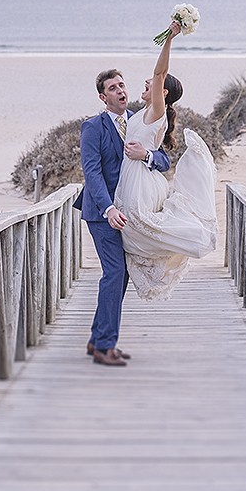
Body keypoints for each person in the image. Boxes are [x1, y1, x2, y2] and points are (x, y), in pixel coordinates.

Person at [113, 19, 218, 301]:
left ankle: (189, 238)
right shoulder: (141, 113)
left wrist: (170, 36)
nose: (146, 83)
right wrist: (146, 154)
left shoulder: (156, 112)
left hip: (140, 182)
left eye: (151, 84)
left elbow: (159, 73)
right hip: (134, 174)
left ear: (163, 93)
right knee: (133, 230)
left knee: (139, 225)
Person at [75, 66, 172, 367]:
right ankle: (105, 346)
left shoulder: (139, 121)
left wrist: (146, 155)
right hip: (102, 213)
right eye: (113, 88)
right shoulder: (93, 127)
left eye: (122, 85)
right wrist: (108, 208)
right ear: (103, 97)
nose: (120, 91)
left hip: (131, 213)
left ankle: (98, 339)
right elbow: (91, 173)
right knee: (115, 273)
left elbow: (164, 159)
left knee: (121, 275)